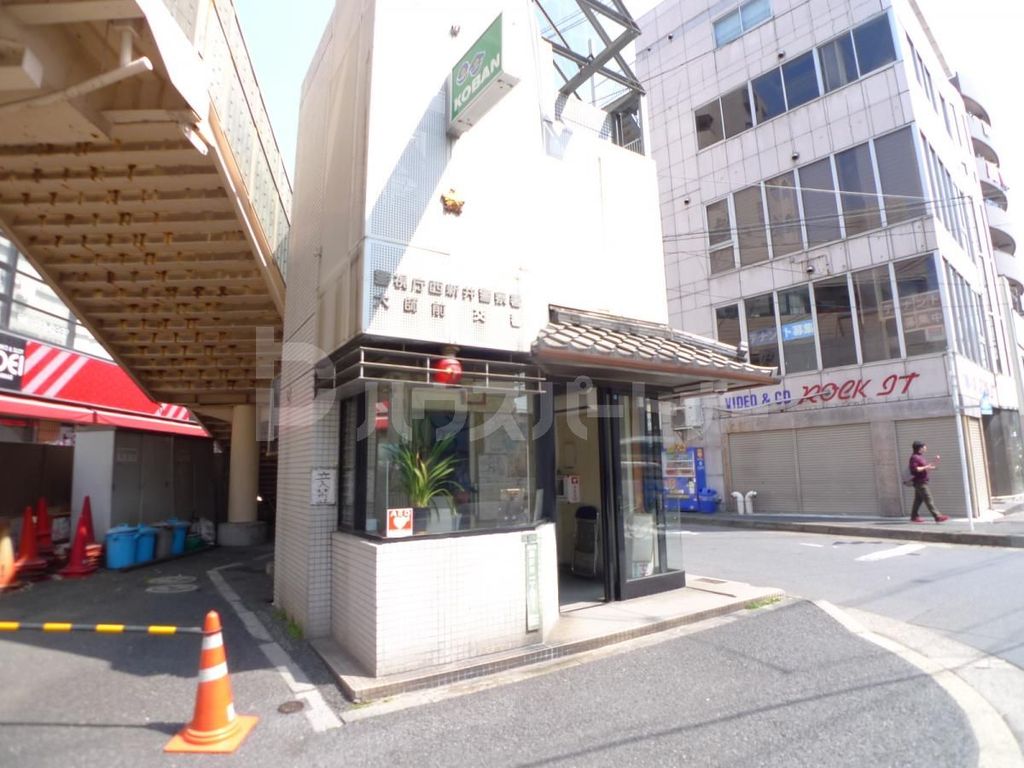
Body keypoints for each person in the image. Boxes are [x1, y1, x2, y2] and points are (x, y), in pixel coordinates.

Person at [908, 441, 949, 523]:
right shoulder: (914, 457)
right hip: (920, 482)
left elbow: (925, 468)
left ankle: (913, 516)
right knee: (928, 498)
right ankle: (937, 516)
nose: (926, 448)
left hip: (922, 481)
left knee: (918, 500)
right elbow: (915, 469)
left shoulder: (920, 457)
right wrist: (926, 467)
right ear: (920, 448)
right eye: (924, 446)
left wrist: (934, 464)